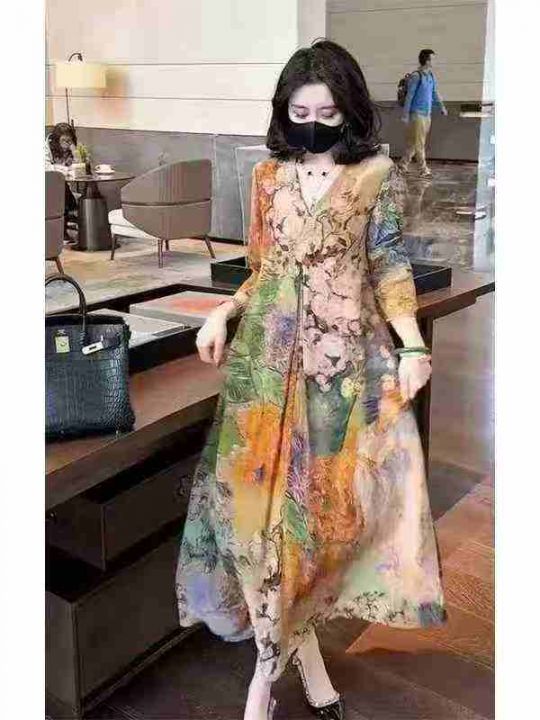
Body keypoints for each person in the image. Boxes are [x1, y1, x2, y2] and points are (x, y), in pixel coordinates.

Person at [175, 39, 446, 720]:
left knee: (319, 529)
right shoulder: (268, 175)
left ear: (349, 111)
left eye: (328, 114)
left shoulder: (375, 174)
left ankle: (284, 665)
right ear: (284, 110)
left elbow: (388, 266)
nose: (314, 125)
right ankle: (269, 678)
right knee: (259, 526)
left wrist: (413, 345)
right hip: (265, 374)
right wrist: (223, 310)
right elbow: (262, 268)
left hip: (341, 375)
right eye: (301, 113)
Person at [399, 49, 448, 178]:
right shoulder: (416, 76)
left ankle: (402, 165)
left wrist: (442, 106)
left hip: (427, 114)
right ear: (427, 61)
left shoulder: (431, 76)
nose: (435, 61)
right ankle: (423, 169)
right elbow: (409, 96)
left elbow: (435, 93)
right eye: (433, 59)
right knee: (420, 143)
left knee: (413, 143)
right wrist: (405, 115)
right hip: (417, 114)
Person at [45, 123, 79, 242]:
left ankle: (73, 212)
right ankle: (73, 210)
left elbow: (78, 164)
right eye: (63, 140)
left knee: (62, 191)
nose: (66, 143)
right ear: (56, 140)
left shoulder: (70, 148)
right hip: (47, 182)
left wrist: (75, 152)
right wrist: (64, 169)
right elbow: (46, 167)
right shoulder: (46, 148)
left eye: (69, 141)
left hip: (61, 184)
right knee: (61, 192)